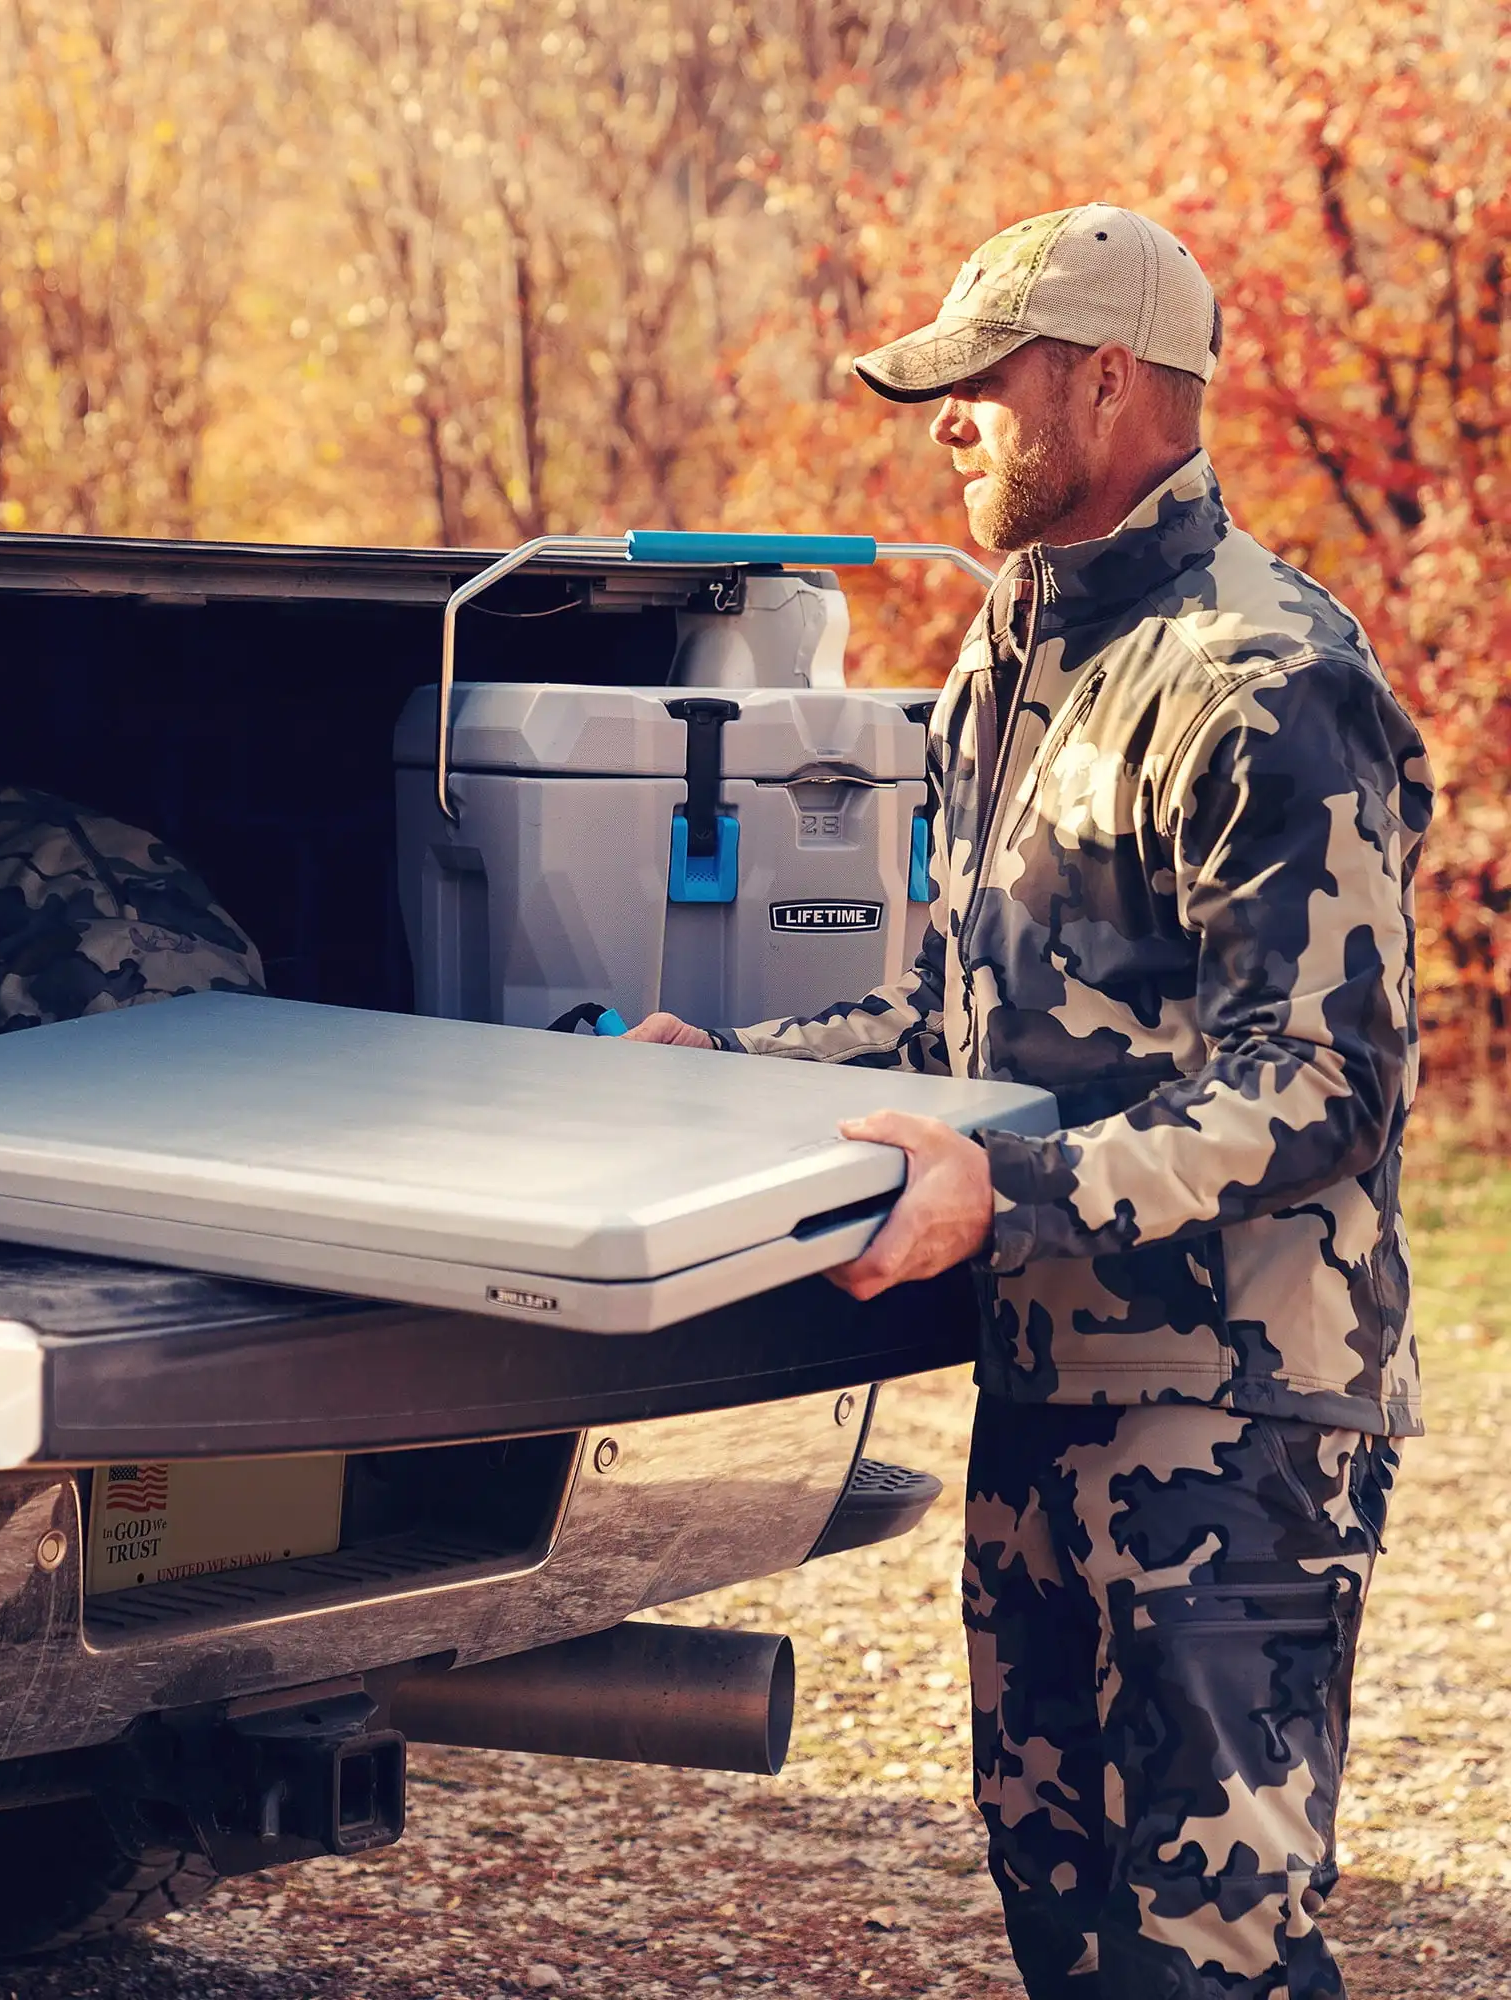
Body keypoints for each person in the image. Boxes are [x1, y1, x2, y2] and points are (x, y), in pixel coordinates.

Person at [628, 204, 1432, 1999]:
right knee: (1059, 1916)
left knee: (1203, 1951)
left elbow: (1325, 1081)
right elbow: (960, 1018)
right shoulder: (1010, 654)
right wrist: (727, 1088)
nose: (947, 423)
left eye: (979, 385)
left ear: (1107, 381)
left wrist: (1016, 1201)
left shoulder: (1266, 675)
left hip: (1233, 1420)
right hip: (1045, 1386)